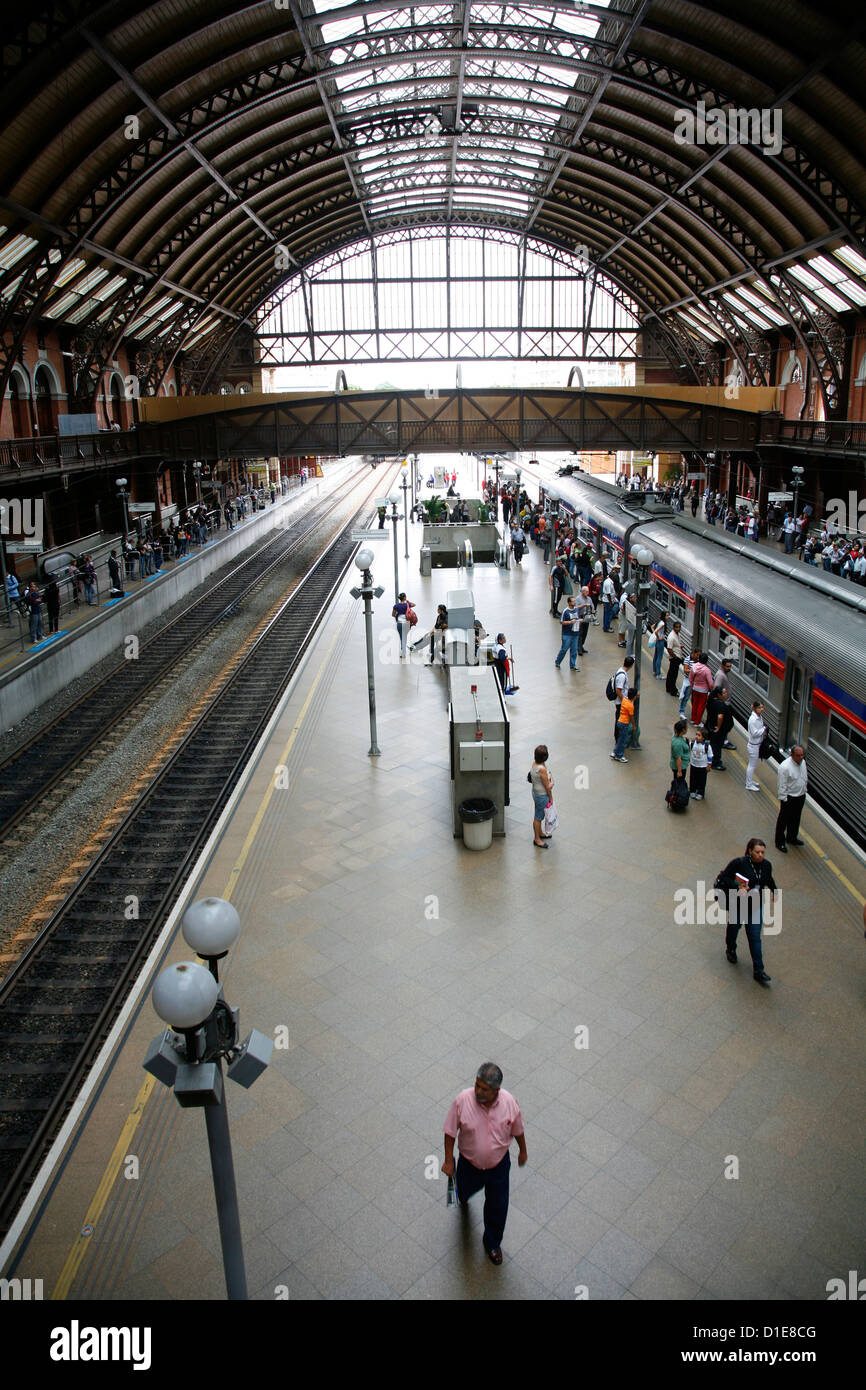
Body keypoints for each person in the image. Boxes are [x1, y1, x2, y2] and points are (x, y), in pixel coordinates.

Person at [442, 1063, 526, 1266]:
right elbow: (450, 1131)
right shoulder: (462, 1100)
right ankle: (464, 1195)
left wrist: (523, 1151)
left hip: (498, 1166)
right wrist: (448, 1160)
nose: (478, 1091)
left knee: (498, 1206)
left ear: (496, 1090)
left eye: (484, 1089)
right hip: (469, 1165)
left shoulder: (509, 1103)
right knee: (464, 1190)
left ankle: (493, 1243)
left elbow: (517, 1129)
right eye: (477, 1085)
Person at [715, 838, 777, 986]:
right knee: (734, 928)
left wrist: (774, 890)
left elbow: (768, 879)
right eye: (757, 852)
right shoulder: (739, 863)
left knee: (755, 937)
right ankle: (731, 948)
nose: (761, 855)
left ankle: (758, 970)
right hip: (739, 905)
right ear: (750, 851)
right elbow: (725, 878)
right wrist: (739, 887)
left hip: (756, 906)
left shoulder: (767, 865)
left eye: (763, 852)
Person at [775, 746, 807, 853]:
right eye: (798, 755)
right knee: (783, 820)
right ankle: (779, 841)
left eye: (802, 755)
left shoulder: (803, 763)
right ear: (792, 755)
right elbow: (781, 785)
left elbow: (804, 776)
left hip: (800, 796)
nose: (801, 757)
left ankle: (792, 838)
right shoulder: (784, 767)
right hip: (789, 798)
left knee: (796, 818)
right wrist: (784, 799)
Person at [529, 745, 553, 848]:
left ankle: (540, 833)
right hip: (542, 795)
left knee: (538, 813)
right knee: (538, 817)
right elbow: (547, 786)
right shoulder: (542, 769)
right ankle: (537, 839)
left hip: (535, 792)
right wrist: (551, 797)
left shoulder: (535, 764)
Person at [705, 684, 731, 771]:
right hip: (718, 730)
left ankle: (712, 760)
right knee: (717, 746)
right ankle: (715, 762)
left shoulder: (712, 701)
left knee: (714, 744)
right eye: (724, 693)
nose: (725, 694)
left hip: (712, 726)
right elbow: (720, 717)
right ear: (719, 695)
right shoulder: (719, 704)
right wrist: (719, 727)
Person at [745, 699, 767, 791]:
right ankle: (748, 784)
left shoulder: (759, 717)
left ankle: (750, 781)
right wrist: (764, 729)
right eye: (759, 707)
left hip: (757, 744)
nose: (761, 709)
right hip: (753, 746)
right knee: (751, 765)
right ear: (754, 708)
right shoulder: (753, 720)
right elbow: (754, 733)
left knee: (752, 765)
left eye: (762, 707)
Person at [611, 685, 636, 763]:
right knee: (623, 740)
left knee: (620, 739)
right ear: (634, 697)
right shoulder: (630, 706)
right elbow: (631, 717)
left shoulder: (624, 700)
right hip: (624, 723)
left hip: (619, 721)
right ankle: (619, 756)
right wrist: (634, 725)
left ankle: (614, 752)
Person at [688, 651, 713, 726]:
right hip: (703, 691)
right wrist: (711, 689)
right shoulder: (707, 670)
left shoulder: (694, 666)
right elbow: (711, 683)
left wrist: (692, 685)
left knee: (695, 704)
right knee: (701, 706)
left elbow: (690, 678)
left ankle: (693, 719)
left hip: (695, 688)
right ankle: (697, 722)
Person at [554, 597, 579, 671]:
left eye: (575, 601)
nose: (574, 602)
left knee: (574, 650)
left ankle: (573, 665)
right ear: (569, 603)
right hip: (567, 634)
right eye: (573, 601)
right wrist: (570, 622)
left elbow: (577, 618)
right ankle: (558, 661)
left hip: (575, 633)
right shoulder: (565, 611)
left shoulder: (576, 609)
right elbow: (561, 622)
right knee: (564, 649)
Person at [689, 727, 712, 799]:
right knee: (693, 778)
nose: (696, 736)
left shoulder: (707, 746)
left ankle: (700, 792)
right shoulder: (692, 743)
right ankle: (692, 790)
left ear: (703, 738)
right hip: (693, 765)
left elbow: (710, 756)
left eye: (699, 735)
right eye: (696, 734)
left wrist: (709, 765)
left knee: (702, 780)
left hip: (702, 766)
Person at [391, 591, 415, 658]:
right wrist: (408, 602)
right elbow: (414, 604)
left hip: (399, 623)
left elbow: (393, 615)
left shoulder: (396, 606)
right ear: (404, 598)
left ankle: (403, 652)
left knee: (402, 637)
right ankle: (403, 652)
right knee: (404, 637)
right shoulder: (407, 604)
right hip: (407, 623)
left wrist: (398, 614)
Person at [665, 621, 684, 695]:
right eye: (677, 627)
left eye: (679, 627)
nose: (678, 628)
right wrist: (675, 657)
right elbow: (669, 649)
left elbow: (675, 645)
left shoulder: (677, 634)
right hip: (674, 658)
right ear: (673, 627)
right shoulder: (671, 637)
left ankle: (669, 688)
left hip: (676, 657)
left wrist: (679, 646)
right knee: (673, 675)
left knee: (671, 673)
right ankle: (673, 691)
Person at [575, 586, 593, 656]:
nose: (587, 593)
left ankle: (581, 646)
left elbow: (592, 606)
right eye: (586, 591)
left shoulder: (589, 599)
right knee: (580, 633)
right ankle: (579, 649)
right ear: (582, 591)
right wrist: (584, 605)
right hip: (580, 617)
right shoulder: (578, 599)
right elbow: (576, 608)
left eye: (588, 591)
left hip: (587, 617)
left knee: (585, 633)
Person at [650, 613, 667, 679]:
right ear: (664, 616)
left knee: (656, 656)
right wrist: (658, 637)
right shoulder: (663, 624)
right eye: (667, 615)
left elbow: (652, 627)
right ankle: (659, 674)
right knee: (659, 658)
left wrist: (655, 635)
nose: (669, 617)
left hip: (657, 642)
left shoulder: (659, 622)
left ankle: (655, 671)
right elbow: (656, 631)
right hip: (660, 641)